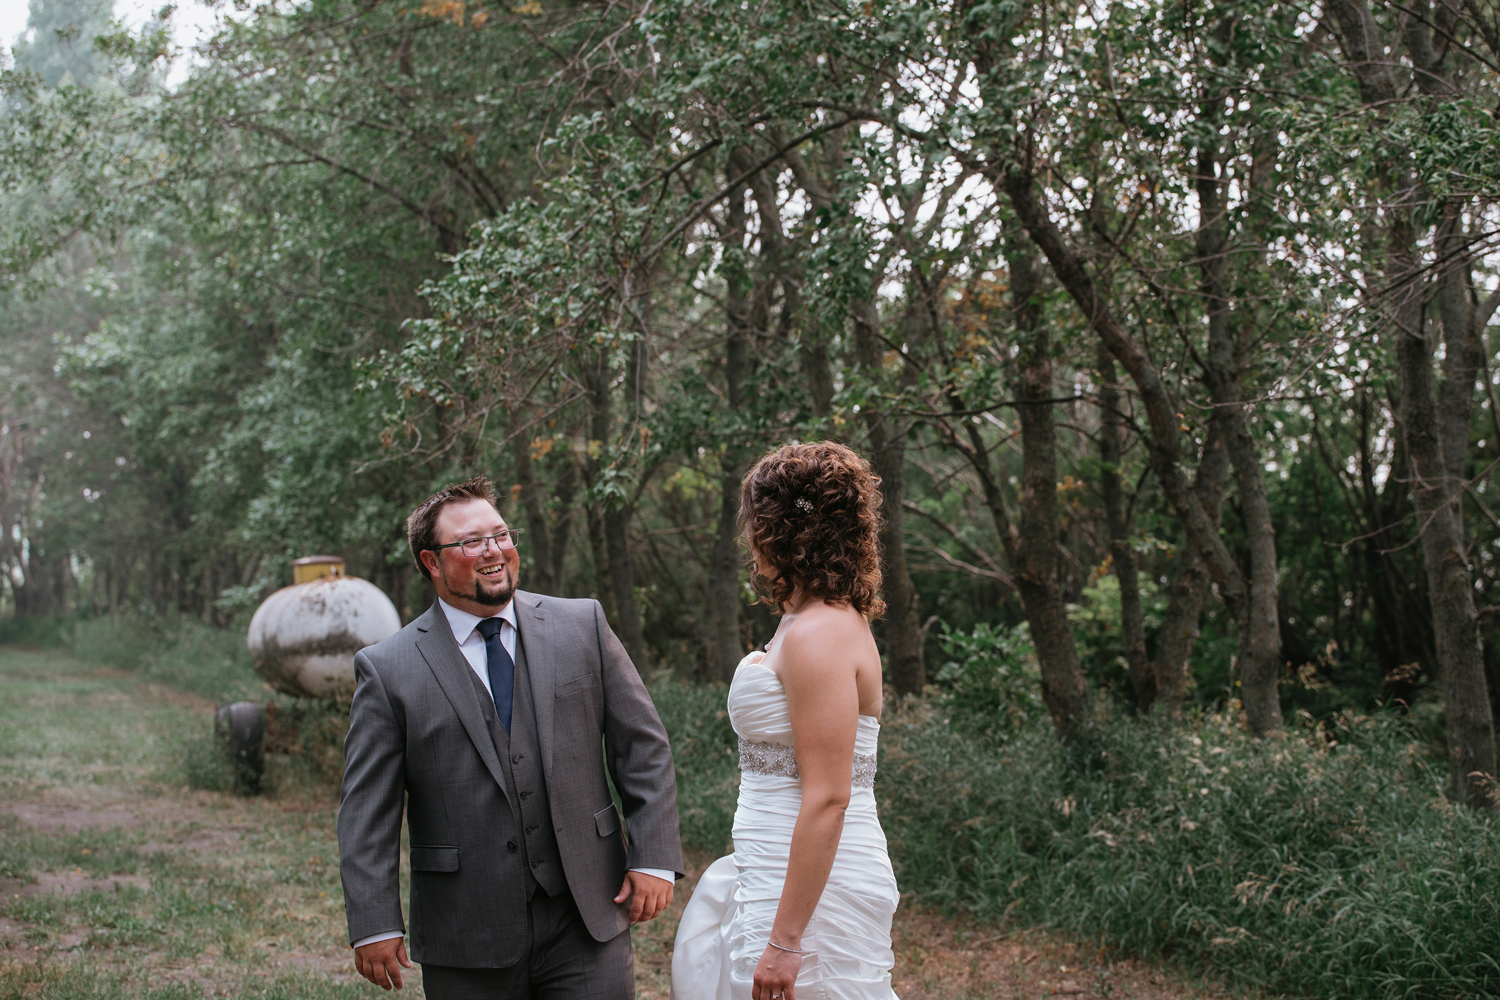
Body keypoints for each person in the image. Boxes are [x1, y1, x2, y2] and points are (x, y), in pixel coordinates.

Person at [339, 475, 683, 999]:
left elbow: (643, 747)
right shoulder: (389, 669)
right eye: (471, 542)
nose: (494, 551)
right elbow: (368, 809)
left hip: (588, 914)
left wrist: (653, 856)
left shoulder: (580, 624)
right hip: (465, 930)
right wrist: (374, 921)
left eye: (501, 535)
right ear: (432, 562)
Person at [672, 442, 900, 1000]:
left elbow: (828, 796)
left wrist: (786, 941)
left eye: (754, 519)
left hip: (810, 886)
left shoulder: (820, 632)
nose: (748, 536)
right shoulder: (808, 620)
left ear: (777, 529)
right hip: (773, 858)